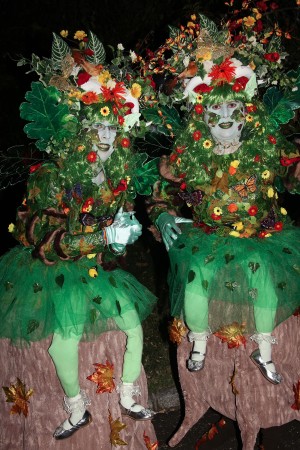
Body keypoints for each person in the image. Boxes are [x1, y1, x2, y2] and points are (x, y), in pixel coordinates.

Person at [0, 31, 156, 440]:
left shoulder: (116, 176)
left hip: (97, 268)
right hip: (55, 270)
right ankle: (75, 409)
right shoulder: (52, 176)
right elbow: (45, 239)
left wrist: (126, 232)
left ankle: (126, 393)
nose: (105, 136)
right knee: (62, 344)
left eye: (111, 127)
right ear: (78, 130)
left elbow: (118, 224)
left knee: (134, 326)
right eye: (96, 126)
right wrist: (104, 239)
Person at [148, 51, 300, 386]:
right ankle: (198, 342)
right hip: (209, 237)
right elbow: (162, 191)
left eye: (233, 108)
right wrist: (161, 216)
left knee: (261, 277)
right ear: (202, 119)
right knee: (196, 277)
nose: (226, 118)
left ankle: (264, 349)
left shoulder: (264, 149)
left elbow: (293, 173)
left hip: (258, 237)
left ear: (247, 114)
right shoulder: (191, 158)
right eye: (216, 112)